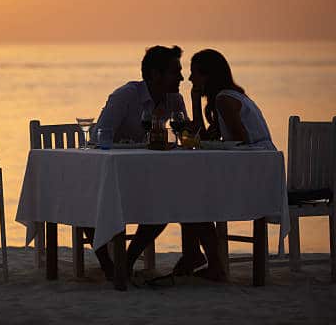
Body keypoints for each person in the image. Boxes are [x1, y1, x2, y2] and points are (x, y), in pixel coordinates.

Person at [86, 45, 187, 279]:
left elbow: (185, 140)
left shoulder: (175, 100)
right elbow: (99, 135)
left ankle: (127, 262)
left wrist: (185, 110)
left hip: (145, 180)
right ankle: (108, 266)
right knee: (85, 203)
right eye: (175, 72)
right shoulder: (126, 96)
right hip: (111, 177)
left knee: (166, 204)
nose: (182, 77)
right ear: (155, 74)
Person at [178, 48, 277, 281]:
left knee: (193, 198)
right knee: (192, 194)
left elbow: (240, 141)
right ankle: (198, 257)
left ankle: (210, 264)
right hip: (258, 167)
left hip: (256, 175)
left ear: (208, 75)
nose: (191, 79)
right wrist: (194, 100)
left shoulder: (224, 99)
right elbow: (207, 137)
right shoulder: (228, 96)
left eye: (195, 74)